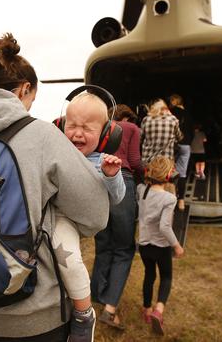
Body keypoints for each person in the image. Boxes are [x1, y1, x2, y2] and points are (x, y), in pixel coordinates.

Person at [0, 33, 109, 341]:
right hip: (33, 314)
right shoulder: (41, 135)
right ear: (25, 89)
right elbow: (95, 215)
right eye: (32, 99)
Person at [54, 92, 125, 342]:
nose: (77, 133)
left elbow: (117, 197)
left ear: (107, 134)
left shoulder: (102, 162)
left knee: (69, 261)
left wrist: (111, 175)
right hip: (46, 217)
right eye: (71, 125)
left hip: (67, 222)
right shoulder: (56, 153)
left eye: (87, 128)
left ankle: (84, 314)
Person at [91, 104, 143, 330]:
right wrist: (145, 175)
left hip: (100, 181)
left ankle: (96, 296)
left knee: (103, 244)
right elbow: (134, 159)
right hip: (122, 181)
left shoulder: (102, 126)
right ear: (128, 116)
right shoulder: (131, 128)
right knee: (123, 248)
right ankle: (110, 310)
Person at [137, 156, 185, 336]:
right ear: (168, 175)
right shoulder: (169, 198)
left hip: (144, 244)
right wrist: (177, 245)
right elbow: (164, 226)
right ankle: (158, 310)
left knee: (149, 275)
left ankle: (147, 310)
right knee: (166, 277)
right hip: (161, 246)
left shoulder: (141, 189)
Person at [168, 94, 194, 210]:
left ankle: (170, 199)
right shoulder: (188, 114)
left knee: (169, 172)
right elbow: (192, 131)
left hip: (172, 146)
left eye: (171, 100)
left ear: (175, 101)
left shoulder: (170, 112)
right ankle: (181, 201)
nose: (170, 101)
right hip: (185, 145)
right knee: (182, 173)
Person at [140, 99, 182, 165]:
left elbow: (140, 138)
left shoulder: (146, 119)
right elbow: (179, 137)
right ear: (165, 108)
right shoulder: (172, 119)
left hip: (148, 161)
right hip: (166, 163)